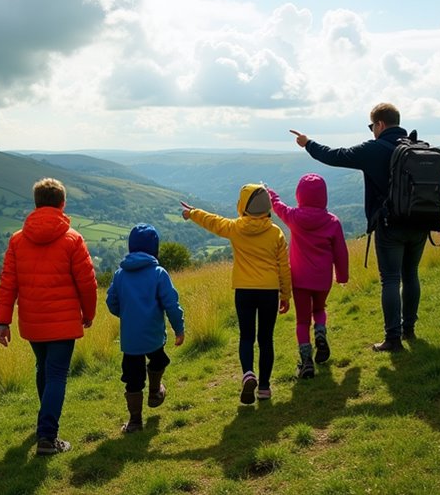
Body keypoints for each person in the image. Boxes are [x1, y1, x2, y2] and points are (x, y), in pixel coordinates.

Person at [289, 102, 427, 352]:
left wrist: (308, 143)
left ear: (380, 124)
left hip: (390, 225)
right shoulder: (416, 147)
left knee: (391, 279)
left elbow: (335, 156)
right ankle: (409, 330)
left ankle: (393, 339)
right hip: (420, 222)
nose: (372, 131)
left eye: (371, 126)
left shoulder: (374, 149)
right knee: (411, 275)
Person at [0, 177, 98, 456]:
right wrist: (88, 314)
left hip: (33, 322)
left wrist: (2, 322)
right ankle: (48, 438)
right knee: (56, 376)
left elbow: (7, 283)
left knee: (44, 370)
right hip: (64, 323)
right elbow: (87, 283)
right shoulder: (73, 240)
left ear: (36, 203)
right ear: (62, 203)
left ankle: (44, 428)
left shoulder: (17, 240)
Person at [181, 184, 290, 403]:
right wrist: (285, 295)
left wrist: (192, 213)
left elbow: (213, 221)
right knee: (266, 339)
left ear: (244, 206)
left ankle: (248, 374)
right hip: (269, 292)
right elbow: (283, 267)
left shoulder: (235, 228)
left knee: (247, 337)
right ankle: (265, 388)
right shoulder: (275, 233)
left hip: (244, 291)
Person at [266, 175, 349, 379]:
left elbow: (279, 207)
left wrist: (270, 193)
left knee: (302, 321)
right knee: (319, 309)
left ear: (300, 195)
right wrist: (342, 276)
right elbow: (341, 252)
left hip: (300, 280)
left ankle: (306, 362)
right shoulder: (333, 221)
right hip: (323, 279)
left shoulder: (294, 217)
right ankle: (320, 330)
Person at [106, 223, 186, 433]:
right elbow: (172, 305)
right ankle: (155, 392)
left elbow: (111, 302)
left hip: (130, 340)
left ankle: (134, 422)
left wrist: (127, 315)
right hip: (153, 336)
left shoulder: (120, 274)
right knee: (158, 360)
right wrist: (179, 329)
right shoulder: (159, 273)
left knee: (132, 378)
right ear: (154, 248)